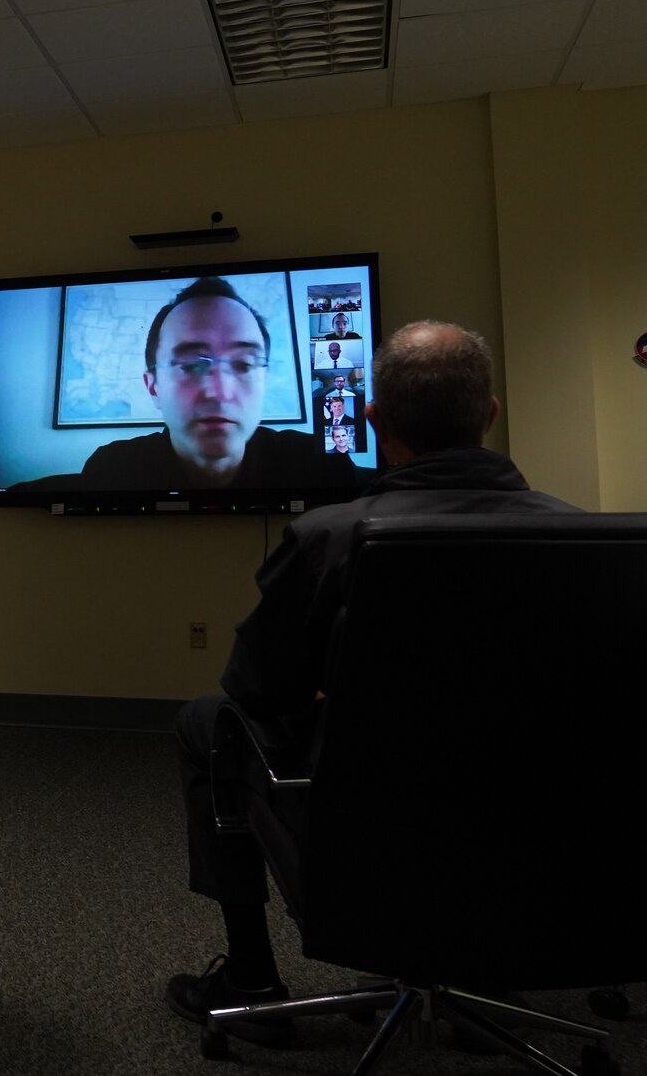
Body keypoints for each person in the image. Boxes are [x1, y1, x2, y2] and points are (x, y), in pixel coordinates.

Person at [165, 323, 577, 1043]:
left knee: (209, 721)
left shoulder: (328, 538)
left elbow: (255, 691)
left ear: (375, 419)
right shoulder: (580, 537)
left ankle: (252, 980)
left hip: (364, 834)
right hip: (536, 843)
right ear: (490, 414)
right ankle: (483, 958)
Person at [35, 277, 362, 492]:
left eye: (244, 364)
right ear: (153, 387)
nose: (218, 392)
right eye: (191, 365)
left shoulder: (321, 469)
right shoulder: (113, 473)